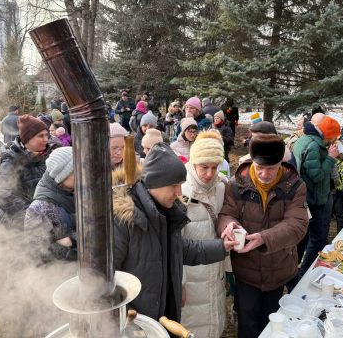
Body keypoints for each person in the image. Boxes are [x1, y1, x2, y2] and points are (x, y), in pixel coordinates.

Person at [113, 142, 235, 322]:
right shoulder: (123, 219)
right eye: (174, 185)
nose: (179, 192)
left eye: (181, 185)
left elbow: (181, 250)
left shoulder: (164, 211)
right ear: (154, 183)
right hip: (136, 323)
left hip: (162, 314)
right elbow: (103, 281)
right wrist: (130, 319)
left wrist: (222, 247)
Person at [217, 133, 308, 338]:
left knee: (270, 320)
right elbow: (226, 214)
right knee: (247, 320)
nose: (265, 175)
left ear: (282, 164)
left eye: (271, 168)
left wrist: (264, 238)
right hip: (246, 268)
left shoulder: (294, 185)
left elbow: (298, 224)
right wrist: (229, 224)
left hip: (278, 267)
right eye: (259, 168)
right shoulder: (237, 184)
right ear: (251, 161)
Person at [180, 131, 229, 337]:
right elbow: (174, 243)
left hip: (215, 267)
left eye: (214, 167)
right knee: (193, 323)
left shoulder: (222, 187)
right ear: (193, 163)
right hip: (191, 273)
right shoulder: (181, 191)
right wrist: (179, 283)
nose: (209, 173)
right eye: (204, 167)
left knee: (213, 319)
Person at [292, 116, 341, 275]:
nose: (335, 140)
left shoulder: (305, 138)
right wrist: (331, 159)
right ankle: (304, 272)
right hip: (312, 199)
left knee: (304, 238)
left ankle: (299, 270)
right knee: (317, 238)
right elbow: (317, 176)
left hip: (306, 197)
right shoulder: (313, 146)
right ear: (328, 135)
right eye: (334, 137)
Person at [0, 115, 54, 228]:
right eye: (40, 136)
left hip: (54, 217)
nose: (46, 139)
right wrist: (33, 214)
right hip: (28, 223)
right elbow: (4, 194)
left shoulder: (51, 154)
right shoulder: (11, 160)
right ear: (28, 138)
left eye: (46, 135)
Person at [24, 147, 77, 262]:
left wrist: (72, 241)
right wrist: (71, 247)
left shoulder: (77, 192)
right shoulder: (39, 208)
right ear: (61, 175)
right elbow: (38, 251)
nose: (83, 175)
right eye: (75, 171)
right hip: (58, 274)